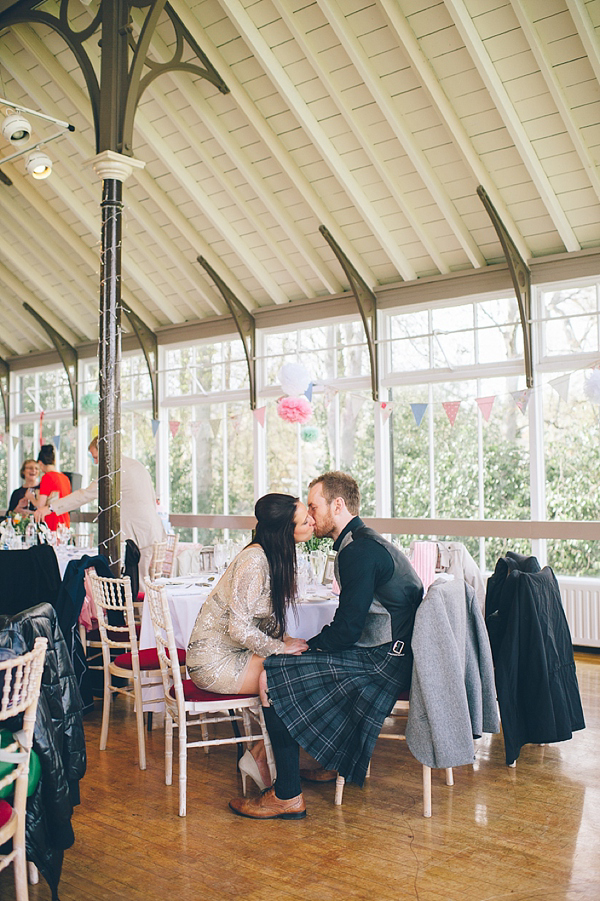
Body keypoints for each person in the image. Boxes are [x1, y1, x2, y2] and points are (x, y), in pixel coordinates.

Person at [228, 471, 424, 820]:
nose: (310, 517)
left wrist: (307, 648)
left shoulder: (359, 551)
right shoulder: (363, 542)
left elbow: (347, 630)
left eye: (315, 507)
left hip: (383, 660)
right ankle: (332, 759)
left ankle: (286, 794)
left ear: (338, 505)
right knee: (292, 664)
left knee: (275, 675)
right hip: (392, 653)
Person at [187, 493, 314, 791]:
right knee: (291, 675)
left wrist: (285, 639)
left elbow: (263, 621)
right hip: (213, 661)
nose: (311, 522)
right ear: (286, 530)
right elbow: (240, 629)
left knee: (298, 668)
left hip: (237, 654)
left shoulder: (273, 556)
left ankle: (263, 757)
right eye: (304, 520)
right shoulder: (254, 561)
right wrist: (281, 648)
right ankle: (264, 760)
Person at [34, 436, 165, 581]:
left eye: (96, 457)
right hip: (154, 533)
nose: (95, 462)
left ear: (105, 452)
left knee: (138, 588)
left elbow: (85, 495)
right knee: (146, 586)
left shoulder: (115, 470)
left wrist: (50, 508)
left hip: (139, 538)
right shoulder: (135, 465)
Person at [30, 444, 71, 532]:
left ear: (40, 463)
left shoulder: (47, 477)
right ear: (54, 461)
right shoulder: (65, 478)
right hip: (64, 522)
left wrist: (31, 497)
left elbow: (40, 506)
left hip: (51, 523)